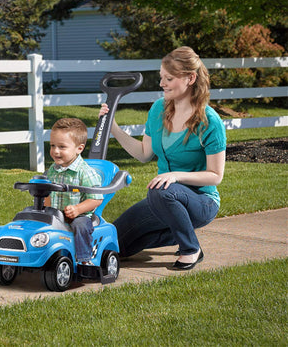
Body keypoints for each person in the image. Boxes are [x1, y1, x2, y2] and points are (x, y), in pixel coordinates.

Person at [99, 46, 226, 270]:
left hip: (201, 201)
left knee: (161, 189)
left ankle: (190, 249)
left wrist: (176, 176)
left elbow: (215, 176)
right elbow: (143, 154)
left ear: (190, 78)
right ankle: (177, 233)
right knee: (114, 246)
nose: (161, 83)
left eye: (168, 78)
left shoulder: (209, 122)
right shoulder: (158, 110)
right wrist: (114, 128)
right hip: (164, 200)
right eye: (161, 78)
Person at [45, 118, 103, 265]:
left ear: (79, 148)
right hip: (56, 214)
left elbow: (96, 199)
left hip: (79, 216)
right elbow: (47, 193)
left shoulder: (85, 172)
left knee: (80, 225)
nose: (55, 151)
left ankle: (84, 260)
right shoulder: (53, 170)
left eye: (62, 147)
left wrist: (77, 209)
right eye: (52, 145)